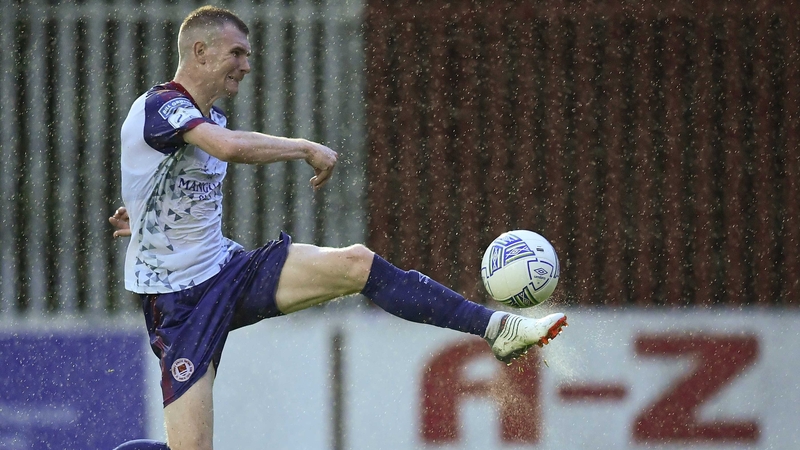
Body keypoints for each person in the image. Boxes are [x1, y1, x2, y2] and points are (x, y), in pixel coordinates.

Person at [108, 6, 567, 450]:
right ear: (201, 51)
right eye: (237, 53)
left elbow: (173, 182)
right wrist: (304, 147)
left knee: (356, 263)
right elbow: (226, 149)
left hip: (227, 271)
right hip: (179, 304)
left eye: (247, 55)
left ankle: (498, 328)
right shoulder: (161, 105)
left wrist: (145, 214)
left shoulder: (210, 117)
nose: (247, 65)